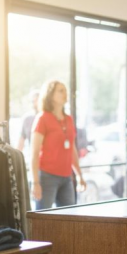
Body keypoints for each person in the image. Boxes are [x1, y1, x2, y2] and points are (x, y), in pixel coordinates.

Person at [31, 81, 86, 210]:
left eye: (65, 90)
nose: (65, 93)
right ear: (50, 95)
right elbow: (34, 153)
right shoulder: (42, 119)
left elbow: (72, 149)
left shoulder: (69, 119)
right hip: (47, 177)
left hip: (66, 177)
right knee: (43, 220)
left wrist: (79, 175)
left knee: (69, 219)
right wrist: (35, 182)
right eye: (60, 91)